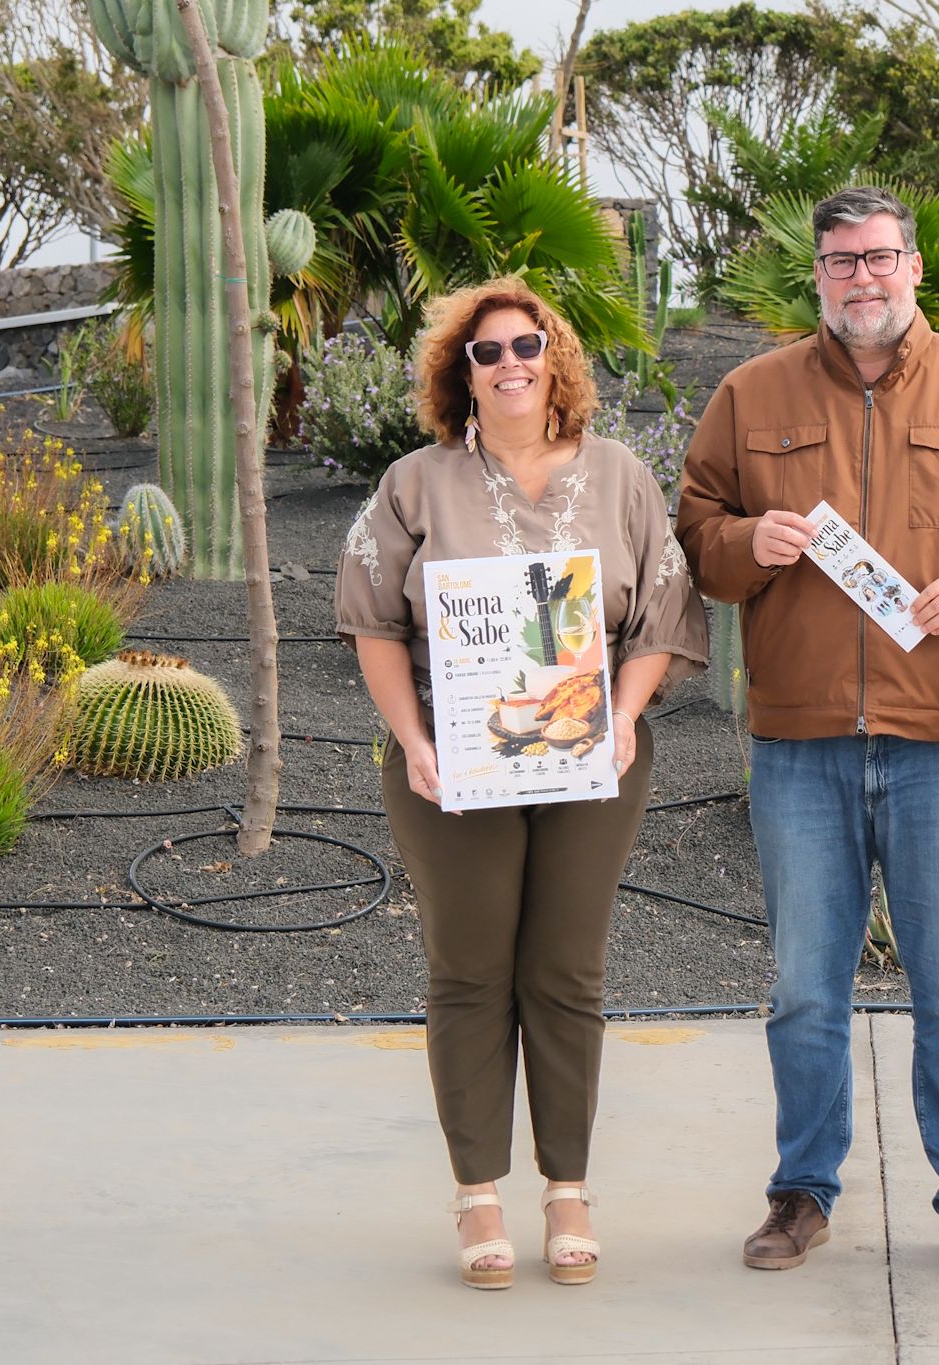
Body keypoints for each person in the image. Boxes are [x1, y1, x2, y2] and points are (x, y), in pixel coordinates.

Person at [677, 186, 939, 1283]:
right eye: (841, 261)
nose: (862, 276)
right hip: (800, 740)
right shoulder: (749, 395)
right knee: (806, 986)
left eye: (880, 257)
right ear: (816, 275)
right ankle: (801, 1190)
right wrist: (743, 543)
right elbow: (694, 535)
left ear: (913, 267)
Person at [335, 276, 708, 1290]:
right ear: (460, 371)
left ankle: (568, 1188)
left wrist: (625, 719)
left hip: (594, 764)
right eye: (486, 351)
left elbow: (659, 620)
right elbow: (371, 619)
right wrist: (412, 741)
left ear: (556, 359)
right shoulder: (415, 484)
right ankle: (476, 1196)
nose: (509, 365)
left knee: (566, 971)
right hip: (450, 766)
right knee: (469, 972)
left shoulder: (622, 476)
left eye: (525, 345)